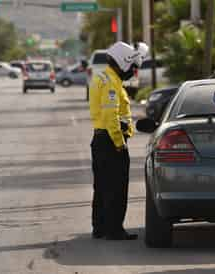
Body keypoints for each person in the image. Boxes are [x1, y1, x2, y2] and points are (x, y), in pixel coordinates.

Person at [89, 41, 149, 240]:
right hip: (110, 141)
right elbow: (111, 115)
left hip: (100, 140)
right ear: (123, 63)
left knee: (102, 187)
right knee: (116, 188)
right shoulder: (111, 82)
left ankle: (100, 227)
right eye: (133, 67)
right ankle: (114, 230)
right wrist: (119, 143)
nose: (133, 72)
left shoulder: (102, 77)